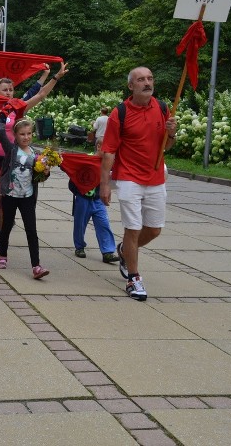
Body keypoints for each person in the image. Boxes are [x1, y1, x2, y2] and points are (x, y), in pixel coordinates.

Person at [0, 53, 68, 253]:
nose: (8, 92)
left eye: (11, 89)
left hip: (11, 163)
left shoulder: (17, 108)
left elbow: (39, 95)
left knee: (7, 202)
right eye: (4, 89)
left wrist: (55, 77)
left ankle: (0, 230)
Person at [100, 66, 177, 301]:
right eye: (141, 79)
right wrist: (104, 184)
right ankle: (133, 279)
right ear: (131, 86)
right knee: (132, 228)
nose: (147, 83)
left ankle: (124, 251)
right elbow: (109, 152)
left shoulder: (162, 108)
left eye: (150, 78)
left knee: (154, 230)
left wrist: (172, 134)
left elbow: (167, 148)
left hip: (155, 178)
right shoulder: (119, 113)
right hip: (128, 178)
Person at [0, 117, 50, 278]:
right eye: (22, 134)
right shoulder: (11, 150)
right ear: (15, 135)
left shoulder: (36, 155)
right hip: (10, 195)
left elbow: (39, 177)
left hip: (27, 197)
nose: (26, 137)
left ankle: (36, 266)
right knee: (6, 226)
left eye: (29, 133)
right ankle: (3, 255)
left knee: (31, 230)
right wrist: (3, 113)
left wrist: (45, 172)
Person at [69, 171, 119, 263]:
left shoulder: (106, 160)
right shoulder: (83, 158)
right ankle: (79, 247)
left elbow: (109, 174)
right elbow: (72, 176)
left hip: (98, 198)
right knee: (80, 224)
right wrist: (78, 192)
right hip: (83, 197)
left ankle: (107, 252)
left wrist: (108, 189)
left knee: (104, 224)